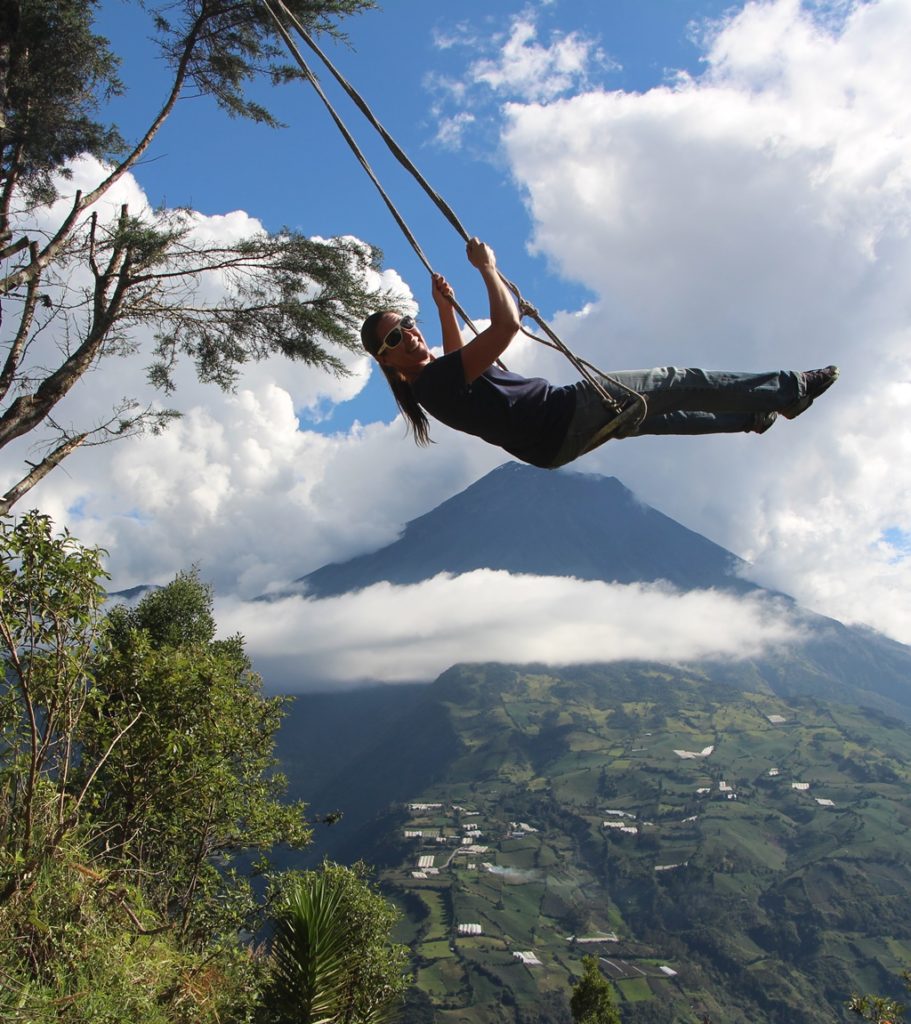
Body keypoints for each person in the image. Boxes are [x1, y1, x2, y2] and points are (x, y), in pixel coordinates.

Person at [360, 237, 839, 469]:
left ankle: (752, 417)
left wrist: (445, 309)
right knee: (673, 380)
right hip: (562, 412)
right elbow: (505, 327)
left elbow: (454, 360)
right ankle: (788, 390)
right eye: (397, 338)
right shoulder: (437, 384)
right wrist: (490, 269)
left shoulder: (433, 387)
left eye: (406, 324)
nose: (409, 334)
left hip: (550, 444)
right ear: (387, 360)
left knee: (652, 415)